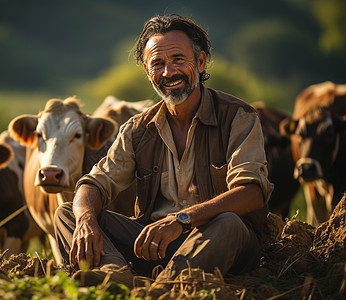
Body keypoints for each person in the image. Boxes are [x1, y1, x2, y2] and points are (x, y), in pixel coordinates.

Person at [54, 14, 273, 289]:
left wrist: (182, 220)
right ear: (148, 72)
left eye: (178, 60)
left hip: (219, 241)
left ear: (201, 62)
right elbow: (96, 183)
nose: (168, 72)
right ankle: (114, 274)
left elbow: (252, 192)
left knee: (228, 221)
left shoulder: (238, 117)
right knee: (68, 212)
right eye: (157, 64)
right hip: (154, 244)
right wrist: (86, 219)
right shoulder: (137, 129)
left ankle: (164, 288)